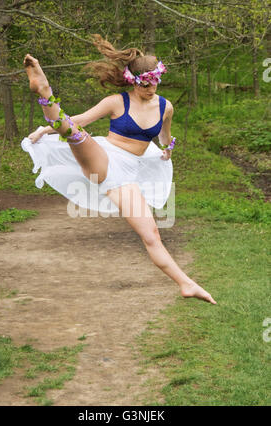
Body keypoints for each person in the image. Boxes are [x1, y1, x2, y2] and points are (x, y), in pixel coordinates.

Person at [21, 34, 216, 305]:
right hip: (105, 157)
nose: (151, 89)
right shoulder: (116, 101)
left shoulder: (165, 106)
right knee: (75, 133)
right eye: (145, 84)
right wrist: (45, 129)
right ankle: (44, 92)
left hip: (128, 174)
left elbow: (163, 135)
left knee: (152, 234)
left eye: (155, 82)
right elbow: (83, 118)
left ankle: (186, 284)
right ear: (134, 82)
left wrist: (168, 148)